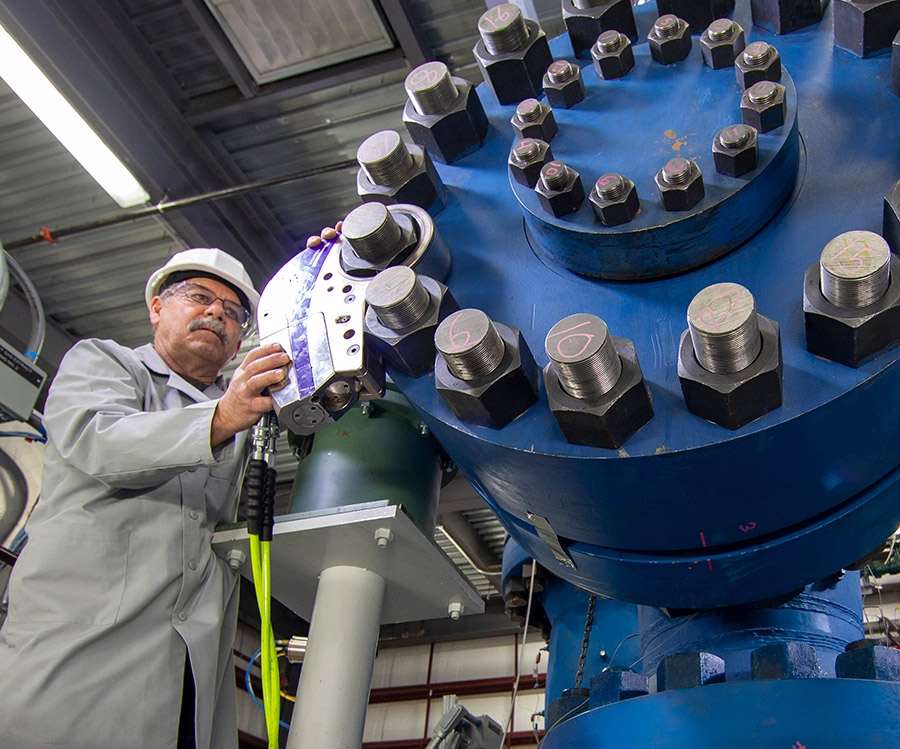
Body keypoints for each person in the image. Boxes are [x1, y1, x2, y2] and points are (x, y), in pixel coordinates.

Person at [0, 248, 290, 749]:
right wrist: (221, 418)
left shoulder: (242, 414)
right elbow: (102, 442)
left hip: (184, 677)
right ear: (158, 307)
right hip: (78, 660)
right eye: (200, 297)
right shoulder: (103, 362)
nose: (217, 312)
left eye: (234, 311)